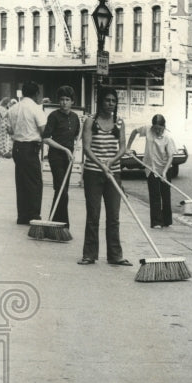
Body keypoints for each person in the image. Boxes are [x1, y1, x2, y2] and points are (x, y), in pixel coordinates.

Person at [79, 87, 130, 266]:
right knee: (93, 214)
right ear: (100, 101)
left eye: (113, 101)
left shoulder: (119, 123)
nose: (110, 104)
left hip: (113, 173)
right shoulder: (90, 121)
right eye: (107, 100)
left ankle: (115, 256)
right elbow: (87, 148)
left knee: (113, 216)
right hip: (93, 172)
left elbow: (123, 147)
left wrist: (111, 162)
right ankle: (89, 254)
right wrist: (101, 164)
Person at [7, 82, 47, 225]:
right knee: (35, 182)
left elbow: (10, 130)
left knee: (21, 181)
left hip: (17, 147)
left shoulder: (13, 108)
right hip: (31, 148)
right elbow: (44, 131)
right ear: (37, 94)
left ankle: (22, 215)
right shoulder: (36, 109)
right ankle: (34, 214)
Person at [127, 115, 177, 229]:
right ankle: (156, 222)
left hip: (165, 167)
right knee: (154, 195)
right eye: (155, 128)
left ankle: (166, 220)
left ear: (164, 127)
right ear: (152, 126)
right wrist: (128, 147)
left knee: (165, 195)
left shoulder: (168, 137)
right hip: (150, 167)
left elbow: (170, 157)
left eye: (160, 128)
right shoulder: (147, 129)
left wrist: (164, 172)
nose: (158, 131)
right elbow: (134, 132)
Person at [42, 86, 81, 230]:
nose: (64, 102)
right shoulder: (53, 116)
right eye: (62, 99)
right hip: (56, 156)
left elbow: (77, 135)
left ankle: (54, 223)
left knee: (62, 190)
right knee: (61, 189)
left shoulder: (75, 117)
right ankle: (63, 225)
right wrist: (64, 149)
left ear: (72, 102)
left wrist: (77, 141)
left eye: (67, 100)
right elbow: (46, 138)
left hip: (69, 157)